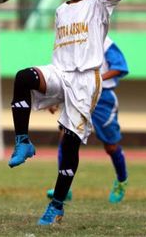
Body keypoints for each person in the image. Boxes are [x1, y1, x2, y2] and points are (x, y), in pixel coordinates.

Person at [7, 0, 146, 225]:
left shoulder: (98, 3)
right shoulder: (61, 10)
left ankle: (57, 205)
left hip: (86, 82)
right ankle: (22, 142)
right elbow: (62, 52)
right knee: (23, 78)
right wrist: (53, 95)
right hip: (60, 73)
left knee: (71, 144)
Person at [46, 35, 129, 204]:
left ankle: (121, 181)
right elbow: (63, 73)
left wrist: (96, 80)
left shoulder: (105, 42)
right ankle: (64, 188)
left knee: (111, 147)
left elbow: (120, 67)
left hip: (102, 98)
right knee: (65, 140)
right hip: (77, 96)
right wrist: (54, 97)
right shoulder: (70, 41)